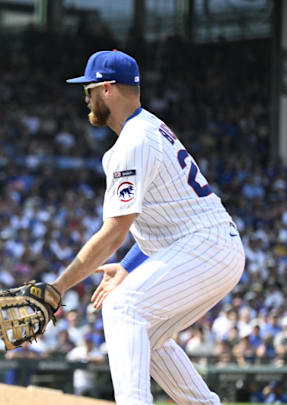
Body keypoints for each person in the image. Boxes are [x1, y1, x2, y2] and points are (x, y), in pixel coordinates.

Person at [48, 50, 245, 404]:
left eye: (88, 89)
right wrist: (127, 267)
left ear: (107, 89)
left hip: (206, 246)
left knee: (123, 308)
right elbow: (162, 222)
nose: (86, 98)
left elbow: (114, 233)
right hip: (207, 245)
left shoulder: (134, 141)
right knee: (145, 336)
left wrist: (57, 288)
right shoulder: (147, 129)